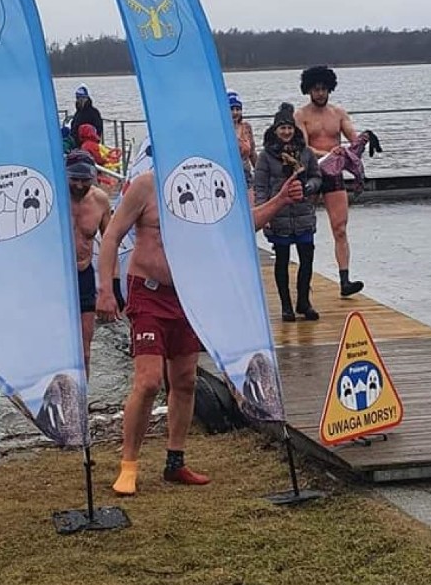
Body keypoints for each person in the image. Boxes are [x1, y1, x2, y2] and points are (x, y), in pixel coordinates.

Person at [96, 169, 304, 497]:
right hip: (147, 291)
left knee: (185, 381)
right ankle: (129, 465)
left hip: (191, 295)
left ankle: (175, 461)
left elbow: (242, 224)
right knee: (149, 381)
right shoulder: (147, 185)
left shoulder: (204, 180)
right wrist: (106, 288)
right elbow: (111, 236)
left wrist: (280, 200)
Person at [294, 65, 364, 297]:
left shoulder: (338, 113)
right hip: (312, 172)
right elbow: (301, 146)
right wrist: (324, 154)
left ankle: (345, 280)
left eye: (324, 89)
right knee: (305, 227)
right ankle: (305, 278)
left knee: (340, 228)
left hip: (333, 173)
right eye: (316, 89)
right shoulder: (301, 115)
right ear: (309, 90)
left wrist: (362, 140)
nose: (320, 93)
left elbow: (353, 139)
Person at [254, 102, 322, 322]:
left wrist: (309, 187)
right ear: (275, 130)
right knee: (281, 260)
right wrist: (265, 213)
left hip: (302, 211)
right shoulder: (266, 156)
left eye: (289, 128)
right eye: (282, 128)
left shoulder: (306, 152)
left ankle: (304, 301)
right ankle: (286, 306)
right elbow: (261, 186)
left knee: (307, 257)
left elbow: (316, 176)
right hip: (279, 213)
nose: (286, 132)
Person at [66, 151, 111, 376]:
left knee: (84, 352)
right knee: (59, 348)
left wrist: (111, 285)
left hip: (84, 276)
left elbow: (110, 243)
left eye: (85, 179)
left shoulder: (100, 200)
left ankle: (80, 404)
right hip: (57, 278)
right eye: (74, 179)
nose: (80, 184)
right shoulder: (52, 198)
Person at [227, 90, 256, 196]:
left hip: (246, 174)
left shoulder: (246, 127)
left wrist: (260, 171)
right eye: (231, 109)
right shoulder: (221, 129)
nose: (235, 113)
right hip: (229, 174)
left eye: (238, 109)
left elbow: (252, 153)